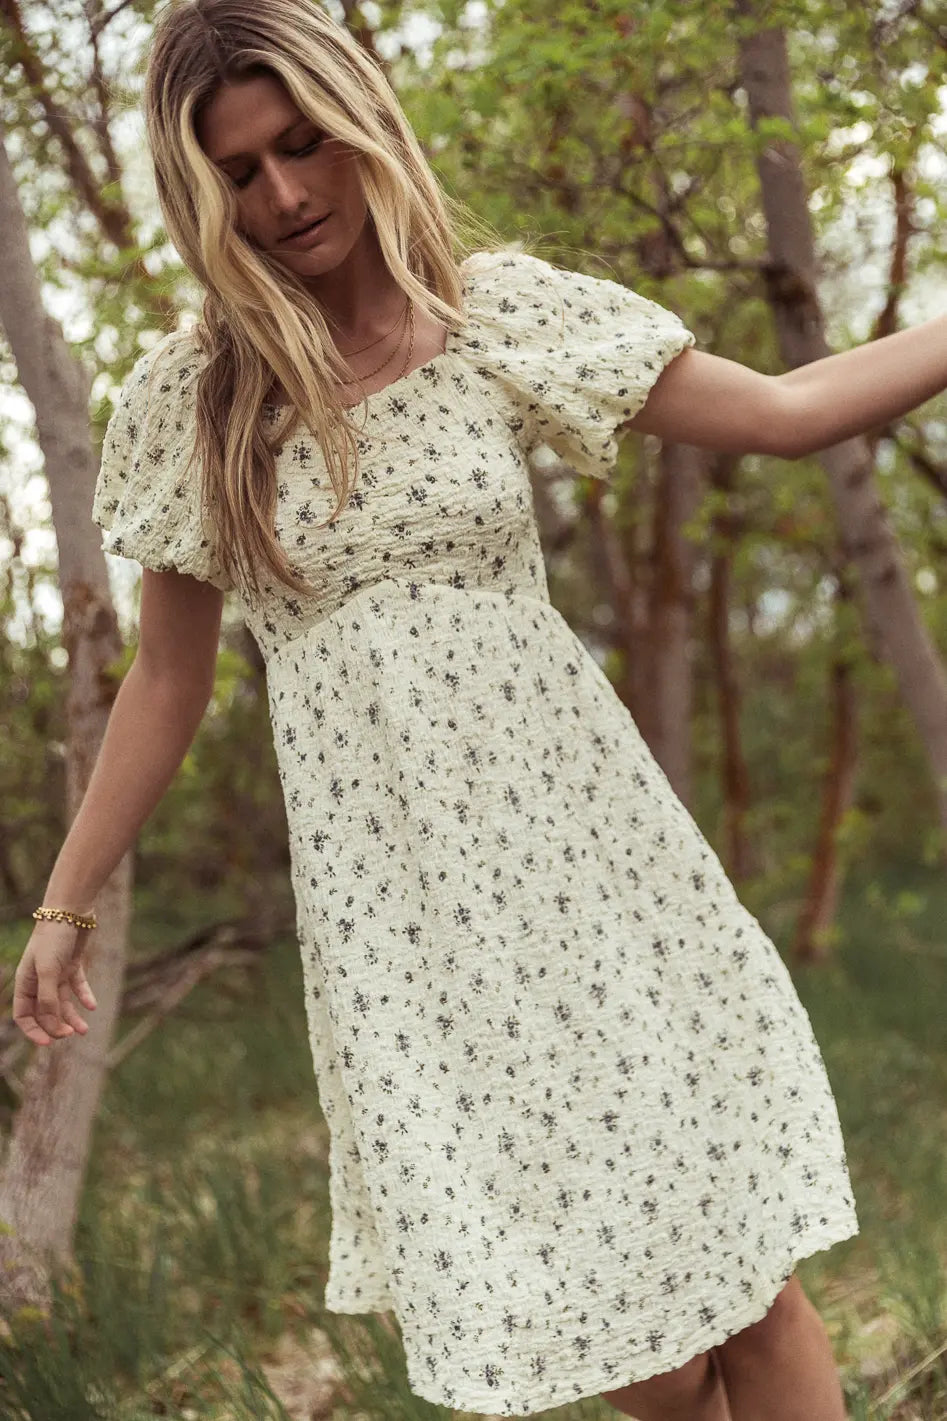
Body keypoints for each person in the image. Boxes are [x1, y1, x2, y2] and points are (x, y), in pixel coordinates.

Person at [15, 1, 947, 1416]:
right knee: (642, 1351)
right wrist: (66, 901)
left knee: (745, 1282)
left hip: (591, 864)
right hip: (410, 923)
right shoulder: (197, 401)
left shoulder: (494, 317)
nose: (284, 195)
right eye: (240, 172)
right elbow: (168, 677)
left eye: (303, 145)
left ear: (361, 126)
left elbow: (787, 410)